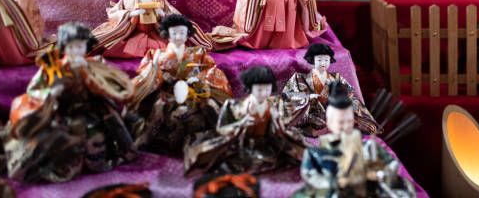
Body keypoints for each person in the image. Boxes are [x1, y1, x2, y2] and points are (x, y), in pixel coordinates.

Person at [4, 22, 137, 183]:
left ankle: (121, 153)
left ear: (86, 46)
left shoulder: (94, 63)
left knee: (106, 125)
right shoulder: (52, 66)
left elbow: (110, 84)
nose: (76, 51)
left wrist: (94, 79)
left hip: (91, 109)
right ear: (64, 48)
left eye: (80, 47)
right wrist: (51, 92)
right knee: (49, 135)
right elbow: (33, 89)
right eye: (71, 47)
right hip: (61, 111)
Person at [126, 14, 232, 155]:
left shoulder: (198, 53)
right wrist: (159, 75)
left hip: (193, 91)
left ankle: (224, 137)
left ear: (187, 34)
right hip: (166, 92)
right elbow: (145, 74)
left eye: (182, 33)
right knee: (159, 107)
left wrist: (199, 79)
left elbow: (211, 70)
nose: (178, 36)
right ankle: (146, 138)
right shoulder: (155, 54)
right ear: (166, 34)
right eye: (174, 33)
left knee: (210, 105)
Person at [293, 82, 416, 198]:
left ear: (353, 121)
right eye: (340, 122)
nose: (345, 126)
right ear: (329, 122)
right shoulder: (315, 154)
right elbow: (312, 177)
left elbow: (391, 164)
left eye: (348, 121)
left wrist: (378, 174)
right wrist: (336, 182)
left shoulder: (368, 146)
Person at [183, 66, 311, 175]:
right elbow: (222, 129)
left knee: (296, 152)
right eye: (259, 90)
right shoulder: (233, 106)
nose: (264, 93)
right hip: (242, 145)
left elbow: (278, 130)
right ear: (250, 88)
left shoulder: (272, 105)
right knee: (235, 161)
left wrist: (275, 121)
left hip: (266, 143)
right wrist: (242, 123)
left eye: (267, 89)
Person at [283, 43, 377, 136]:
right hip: (311, 120)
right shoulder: (298, 78)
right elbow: (288, 98)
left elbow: (350, 95)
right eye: (319, 60)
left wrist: (349, 109)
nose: (323, 63)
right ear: (312, 60)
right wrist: (308, 97)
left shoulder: (336, 77)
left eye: (326, 60)